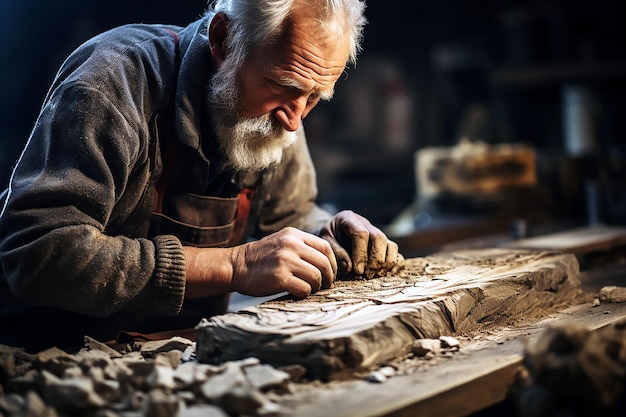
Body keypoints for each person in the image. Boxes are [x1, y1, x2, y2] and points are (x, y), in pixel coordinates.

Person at [0, 0, 402, 352]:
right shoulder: (114, 80)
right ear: (224, 38)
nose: (295, 122)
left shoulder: (278, 112)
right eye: (282, 84)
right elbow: (37, 253)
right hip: (47, 355)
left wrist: (324, 235)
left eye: (314, 96)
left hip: (176, 353)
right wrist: (233, 266)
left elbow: (288, 219)